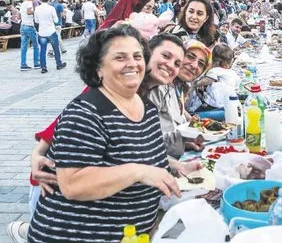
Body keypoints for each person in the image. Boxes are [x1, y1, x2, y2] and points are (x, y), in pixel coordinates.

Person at [26, 25, 183, 243]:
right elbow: (72, 185)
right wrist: (137, 171)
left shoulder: (147, 108)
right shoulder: (86, 113)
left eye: (137, 56)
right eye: (120, 57)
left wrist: (175, 166)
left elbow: (136, 156)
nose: (132, 63)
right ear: (99, 68)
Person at [190, 43, 239, 121]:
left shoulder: (214, 70)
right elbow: (237, 84)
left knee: (196, 114)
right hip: (226, 103)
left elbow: (208, 80)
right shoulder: (231, 72)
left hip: (213, 103)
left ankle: (193, 115)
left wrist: (195, 84)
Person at [34, 0, 67, 74]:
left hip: (42, 32)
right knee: (56, 48)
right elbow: (56, 20)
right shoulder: (51, 8)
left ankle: (43, 67)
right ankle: (59, 64)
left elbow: (36, 21)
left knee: (43, 50)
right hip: (51, 31)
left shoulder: (37, 9)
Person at [19, 0, 40, 71]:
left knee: (23, 47)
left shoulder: (22, 4)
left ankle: (23, 64)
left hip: (22, 26)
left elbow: (20, 15)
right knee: (36, 45)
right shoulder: (29, 3)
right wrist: (35, 11)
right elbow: (28, 12)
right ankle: (36, 63)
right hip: (29, 26)